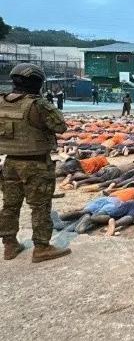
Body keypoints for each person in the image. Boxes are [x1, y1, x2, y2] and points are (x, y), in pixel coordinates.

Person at [0, 63, 71, 262]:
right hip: (36, 164)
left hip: (10, 162)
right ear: (36, 83)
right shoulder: (37, 104)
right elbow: (60, 126)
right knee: (40, 206)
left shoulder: (2, 101)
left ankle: (9, 245)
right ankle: (41, 247)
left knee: (10, 205)